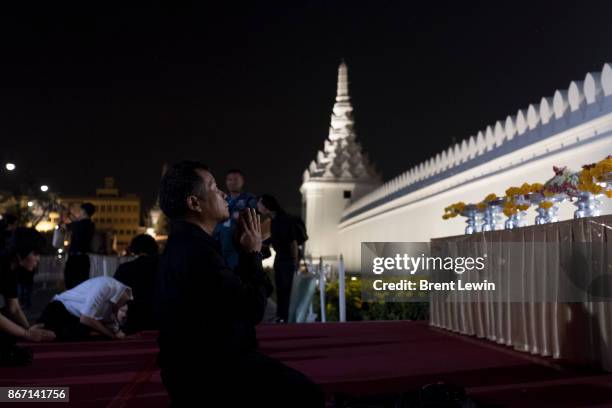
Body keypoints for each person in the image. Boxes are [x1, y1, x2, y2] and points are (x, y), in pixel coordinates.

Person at [155, 161, 324, 408]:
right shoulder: (196, 253)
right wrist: (252, 254)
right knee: (308, 396)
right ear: (194, 203)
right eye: (213, 188)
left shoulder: (189, 244)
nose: (223, 192)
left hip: (198, 365)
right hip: (210, 372)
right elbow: (252, 308)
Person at [0, 227, 55, 365]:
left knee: (11, 334)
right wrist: (26, 334)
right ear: (21, 252)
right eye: (35, 253)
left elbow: (14, 308)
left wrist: (29, 330)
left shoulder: (11, 269)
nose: (38, 259)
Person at [39, 276, 131, 341]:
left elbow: (114, 329)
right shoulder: (107, 286)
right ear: (123, 306)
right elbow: (85, 318)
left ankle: (43, 328)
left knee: (93, 332)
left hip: (75, 318)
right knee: (88, 331)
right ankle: (39, 327)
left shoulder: (117, 307)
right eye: (124, 314)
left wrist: (116, 333)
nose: (123, 317)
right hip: (59, 309)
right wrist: (112, 336)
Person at [257, 194, 300, 323]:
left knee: (285, 289)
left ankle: (284, 317)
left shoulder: (283, 219)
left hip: (287, 259)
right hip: (280, 257)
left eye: (260, 203)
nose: (258, 206)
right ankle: (281, 316)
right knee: (281, 288)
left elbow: (293, 242)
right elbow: (275, 239)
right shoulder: (274, 219)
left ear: (267, 205)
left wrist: (295, 260)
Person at [113, 234, 159, 333]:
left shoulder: (125, 268)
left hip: (135, 318)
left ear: (134, 249)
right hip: (162, 317)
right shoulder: (164, 266)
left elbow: (115, 294)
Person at [213, 169, 258, 269]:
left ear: (242, 181)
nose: (232, 182)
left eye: (236, 179)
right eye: (230, 179)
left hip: (240, 244)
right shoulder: (223, 199)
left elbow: (253, 214)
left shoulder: (249, 199)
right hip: (221, 243)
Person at [63, 202, 96, 289]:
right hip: (84, 259)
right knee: (81, 286)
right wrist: (70, 214)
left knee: (70, 285)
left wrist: (64, 214)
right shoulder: (90, 224)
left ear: (84, 212)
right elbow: (76, 221)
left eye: (80, 211)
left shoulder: (80, 225)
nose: (78, 213)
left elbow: (65, 226)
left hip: (75, 260)